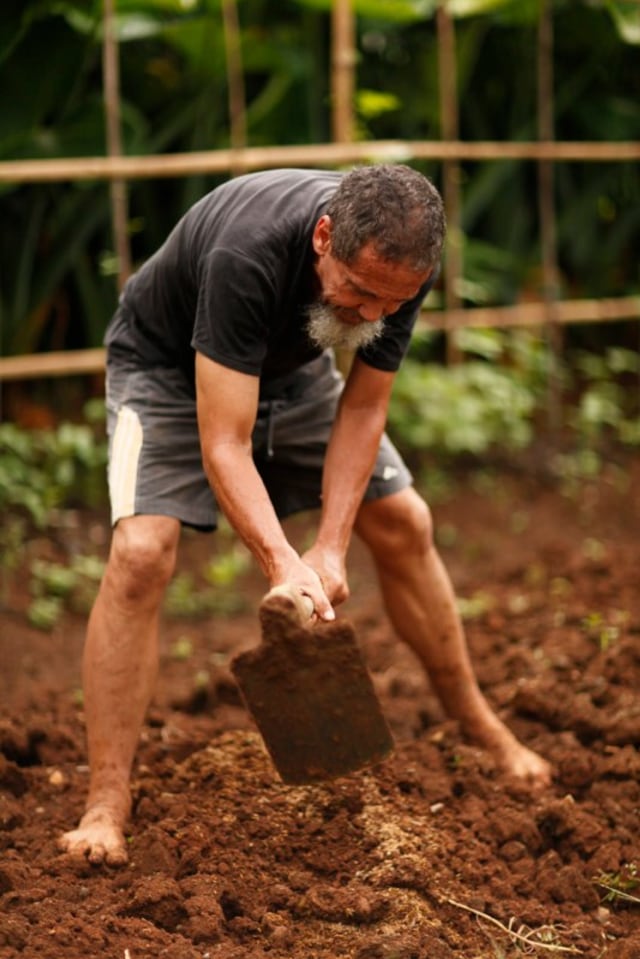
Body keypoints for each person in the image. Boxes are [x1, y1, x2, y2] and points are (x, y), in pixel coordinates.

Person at [59, 164, 551, 866]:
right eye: (357, 293)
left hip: (293, 374)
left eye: (392, 303)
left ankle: (477, 719)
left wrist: (329, 548)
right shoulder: (247, 249)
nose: (372, 316)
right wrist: (284, 564)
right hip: (166, 370)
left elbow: (365, 404)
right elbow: (223, 441)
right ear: (324, 237)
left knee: (405, 521)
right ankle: (105, 800)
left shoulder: (398, 266)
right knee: (142, 552)